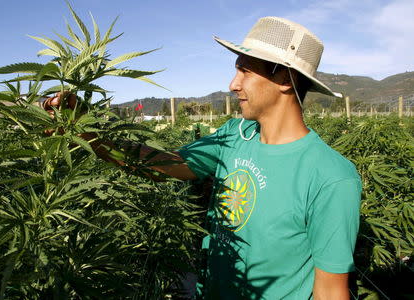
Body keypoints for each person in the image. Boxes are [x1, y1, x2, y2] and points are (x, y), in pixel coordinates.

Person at [44, 16, 361, 300]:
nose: (233, 84)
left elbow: (331, 291)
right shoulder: (235, 134)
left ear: (282, 79)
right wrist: (87, 131)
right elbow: (160, 166)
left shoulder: (331, 176)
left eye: (245, 71)